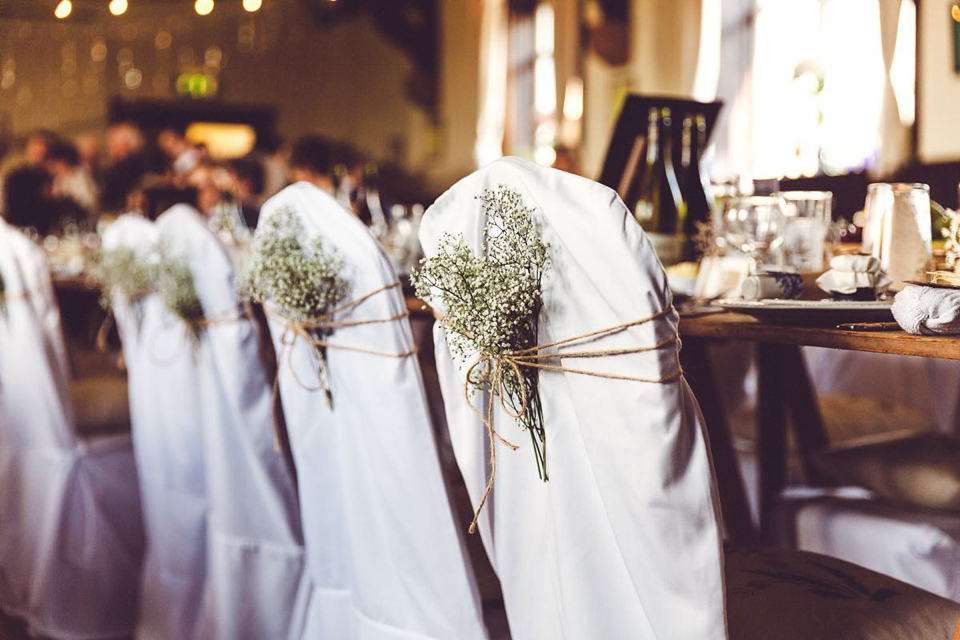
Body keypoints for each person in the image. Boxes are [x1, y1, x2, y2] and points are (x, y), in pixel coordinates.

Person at [45, 137, 98, 216]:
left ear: (63, 163)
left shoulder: (79, 177)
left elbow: (88, 203)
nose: (51, 170)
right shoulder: (57, 181)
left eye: (54, 164)